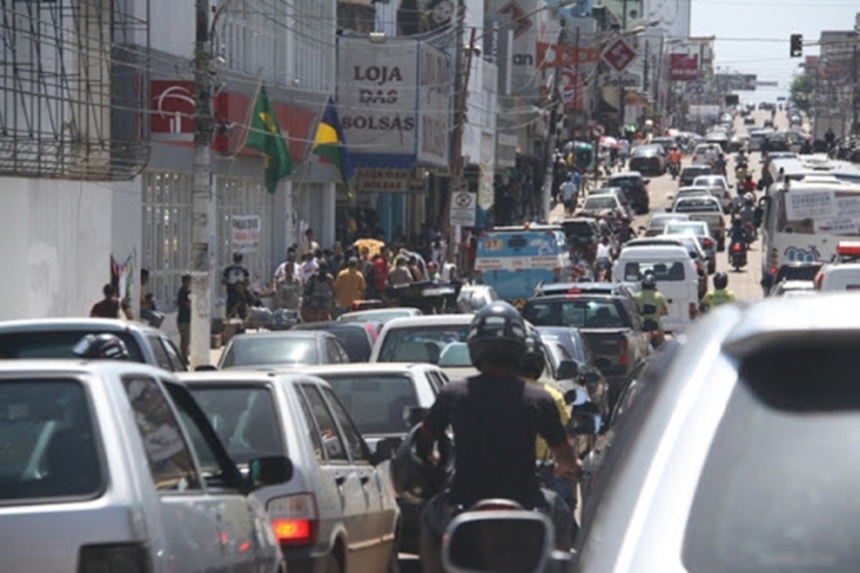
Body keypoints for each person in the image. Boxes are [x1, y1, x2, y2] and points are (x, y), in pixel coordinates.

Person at [415, 302, 579, 572]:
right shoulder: (539, 398)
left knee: (428, 519)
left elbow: (423, 441)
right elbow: (564, 453)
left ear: (475, 345)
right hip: (528, 502)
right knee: (561, 515)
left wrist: (432, 459)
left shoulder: (452, 393)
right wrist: (569, 467)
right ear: (519, 348)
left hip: (462, 502)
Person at [521, 331, 577, 523]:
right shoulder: (551, 396)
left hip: (495, 479)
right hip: (543, 478)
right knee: (566, 517)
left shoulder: (491, 394)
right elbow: (564, 444)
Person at [633, 273, 668, 347]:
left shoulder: (636, 297)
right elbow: (665, 311)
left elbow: (632, 310)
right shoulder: (659, 296)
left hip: (641, 327)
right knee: (662, 348)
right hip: (657, 327)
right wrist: (657, 313)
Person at [176, 273, 191, 362]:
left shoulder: (183, 291)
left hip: (183, 318)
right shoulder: (185, 292)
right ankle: (183, 356)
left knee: (185, 339)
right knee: (185, 339)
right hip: (184, 319)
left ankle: (184, 356)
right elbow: (187, 304)